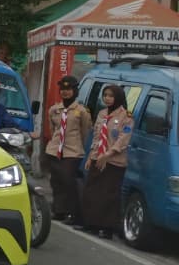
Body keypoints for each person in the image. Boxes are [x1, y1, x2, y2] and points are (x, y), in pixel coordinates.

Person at [81, 83, 132, 239]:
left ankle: (108, 228)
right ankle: (92, 223)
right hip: (98, 158)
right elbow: (97, 137)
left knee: (109, 195)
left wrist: (108, 154)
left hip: (114, 162)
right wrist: (91, 156)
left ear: (118, 98)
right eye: (105, 95)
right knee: (92, 191)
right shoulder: (102, 113)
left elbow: (123, 140)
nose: (107, 99)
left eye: (111, 96)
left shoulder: (126, 117)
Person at [44, 75, 91, 223]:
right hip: (55, 150)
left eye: (69, 89)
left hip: (72, 151)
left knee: (68, 182)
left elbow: (85, 131)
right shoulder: (54, 109)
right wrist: (56, 145)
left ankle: (72, 213)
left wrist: (77, 146)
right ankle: (59, 210)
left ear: (75, 91)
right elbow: (53, 130)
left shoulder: (82, 111)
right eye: (63, 89)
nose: (65, 92)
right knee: (56, 181)